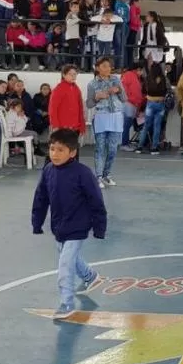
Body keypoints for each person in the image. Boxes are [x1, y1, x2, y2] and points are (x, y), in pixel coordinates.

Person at [31, 128, 106, 319]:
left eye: (60, 150)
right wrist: (37, 222)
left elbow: (96, 200)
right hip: (59, 226)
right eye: (52, 149)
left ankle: (67, 303)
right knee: (69, 256)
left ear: (72, 152)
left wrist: (99, 227)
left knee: (65, 264)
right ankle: (91, 277)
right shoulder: (48, 171)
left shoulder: (83, 173)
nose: (54, 154)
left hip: (78, 226)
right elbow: (41, 197)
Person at [85, 57, 124, 187]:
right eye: (104, 66)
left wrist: (119, 90)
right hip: (101, 117)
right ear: (97, 68)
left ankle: (107, 174)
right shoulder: (92, 84)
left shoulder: (116, 80)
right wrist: (97, 97)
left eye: (109, 66)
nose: (108, 68)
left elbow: (124, 99)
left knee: (112, 149)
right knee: (100, 148)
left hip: (116, 117)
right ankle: (99, 176)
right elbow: (89, 104)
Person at [49, 65, 86, 160]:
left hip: (75, 127)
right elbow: (53, 109)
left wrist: (82, 126)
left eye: (75, 74)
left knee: (73, 152)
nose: (73, 76)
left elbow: (80, 108)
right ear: (64, 75)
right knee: (61, 152)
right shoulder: (59, 89)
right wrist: (55, 126)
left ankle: (74, 172)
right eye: (70, 74)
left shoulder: (76, 88)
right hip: (62, 127)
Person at [135, 63, 168, 155]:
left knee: (146, 126)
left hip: (150, 103)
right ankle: (154, 148)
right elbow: (167, 90)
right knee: (157, 126)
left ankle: (139, 147)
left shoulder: (147, 78)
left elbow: (144, 91)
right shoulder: (164, 79)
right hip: (160, 104)